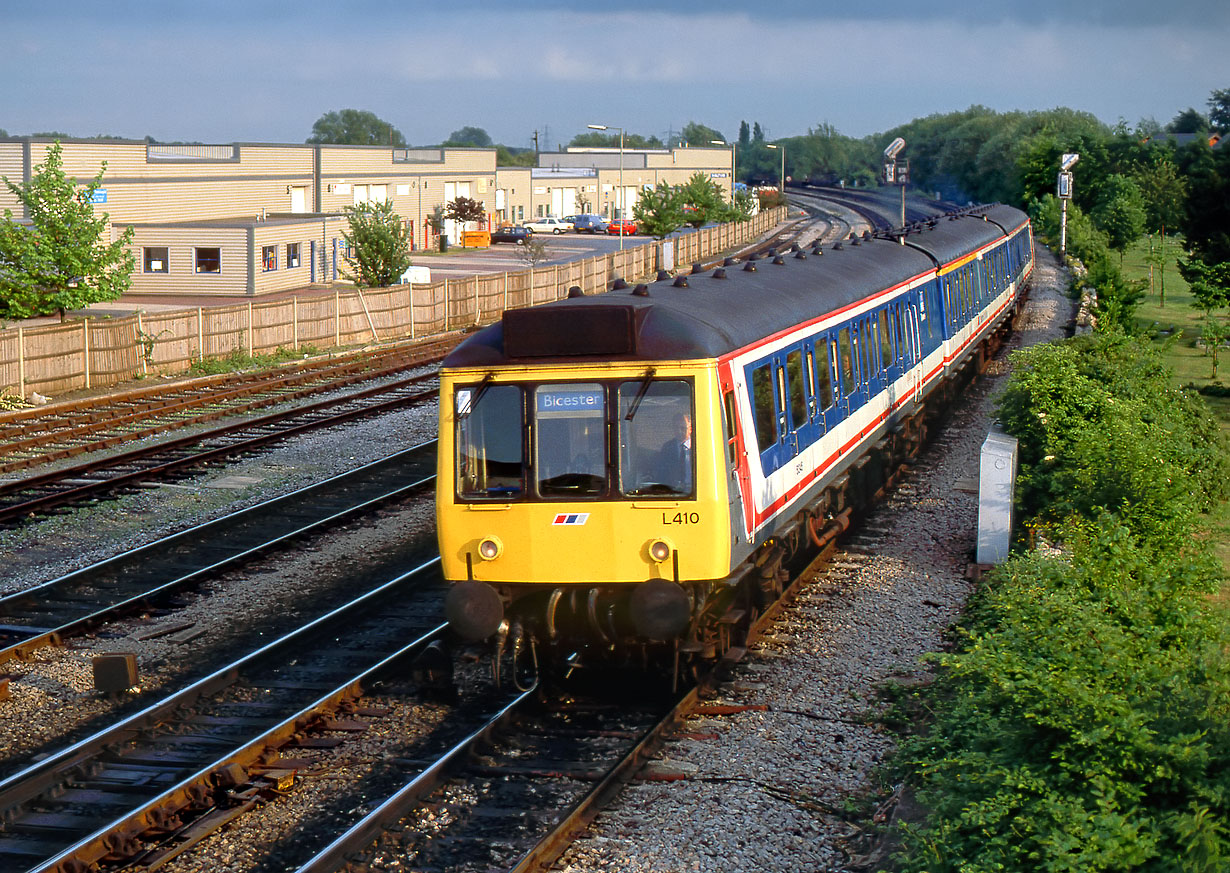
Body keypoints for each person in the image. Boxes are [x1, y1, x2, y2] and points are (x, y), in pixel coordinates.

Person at [656, 411, 693, 494]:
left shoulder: (698, 446)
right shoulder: (667, 448)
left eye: (683, 428)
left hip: (694, 491)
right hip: (673, 492)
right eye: (676, 428)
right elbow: (661, 472)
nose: (679, 431)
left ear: (690, 429)